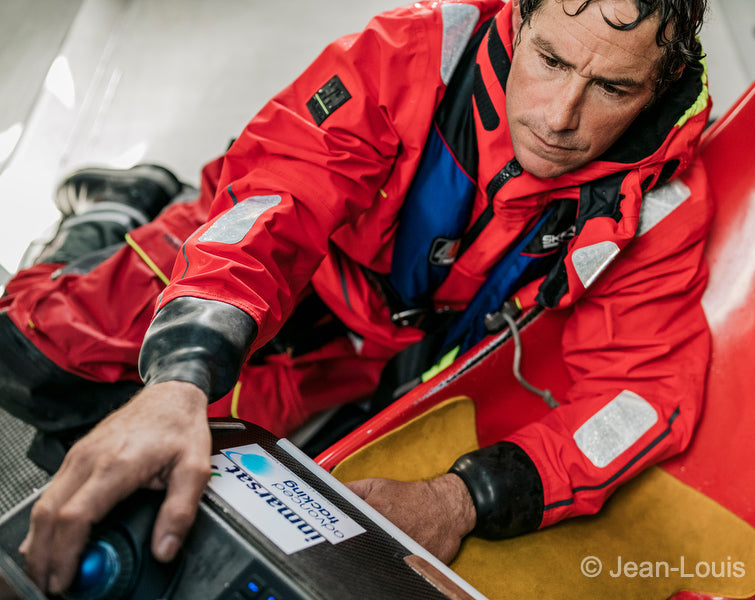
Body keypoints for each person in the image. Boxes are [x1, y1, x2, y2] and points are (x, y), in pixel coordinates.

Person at [3, 0, 712, 594]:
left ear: (664, 81)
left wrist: (463, 498)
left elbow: (641, 397)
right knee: (30, 359)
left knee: (200, 485)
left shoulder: (662, 203)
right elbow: (277, 202)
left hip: (364, 352)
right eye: (551, 61)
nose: (560, 117)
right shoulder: (413, 52)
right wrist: (181, 377)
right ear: (519, 18)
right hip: (243, 260)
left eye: (612, 88)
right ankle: (117, 206)